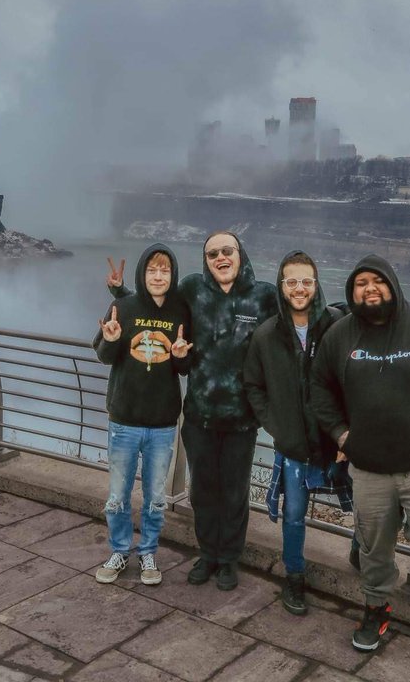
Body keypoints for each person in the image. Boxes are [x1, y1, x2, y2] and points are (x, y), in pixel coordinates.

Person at [311, 254, 410, 652]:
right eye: (361, 283)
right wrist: (343, 437)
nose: (369, 289)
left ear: (392, 285)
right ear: (352, 290)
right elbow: (320, 389)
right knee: (373, 544)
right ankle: (377, 606)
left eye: (376, 281)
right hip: (369, 468)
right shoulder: (341, 335)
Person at [107, 230, 275, 590]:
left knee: (234, 491)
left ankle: (229, 559)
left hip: (242, 419)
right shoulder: (194, 290)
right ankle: (208, 554)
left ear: (240, 255)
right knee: (202, 491)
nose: (220, 258)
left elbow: (298, 316)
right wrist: (120, 294)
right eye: (212, 253)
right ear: (206, 261)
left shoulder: (263, 296)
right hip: (199, 413)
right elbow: (155, 301)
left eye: (227, 251)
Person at [244, 250, 353, 616]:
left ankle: (362, 555)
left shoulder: (337, 327)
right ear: (281, 285)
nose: (299, 288)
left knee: (367, 511)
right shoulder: (266, 335)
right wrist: (276, 425)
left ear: (316, 284)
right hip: (292, 444)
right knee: (293, 516)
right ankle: (294, 577)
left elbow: (355, 382)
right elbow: (254, 386)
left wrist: (347, 435)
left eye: (306, 281)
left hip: (337, 441)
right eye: (291, 281)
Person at [93, 243, 192, 586]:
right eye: (153, 270)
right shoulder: (122, 306)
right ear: (143, 274)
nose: (159, 276)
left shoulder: (181, 311)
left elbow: (184, 365)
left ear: (173, 275)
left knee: (155, 499)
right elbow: (104, 355)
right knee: (118, 496)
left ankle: (148, 551)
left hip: (163, 423)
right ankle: (119, 550)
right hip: (124, 420)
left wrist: (180, 354)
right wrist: (110, 339)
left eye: (165, 270)